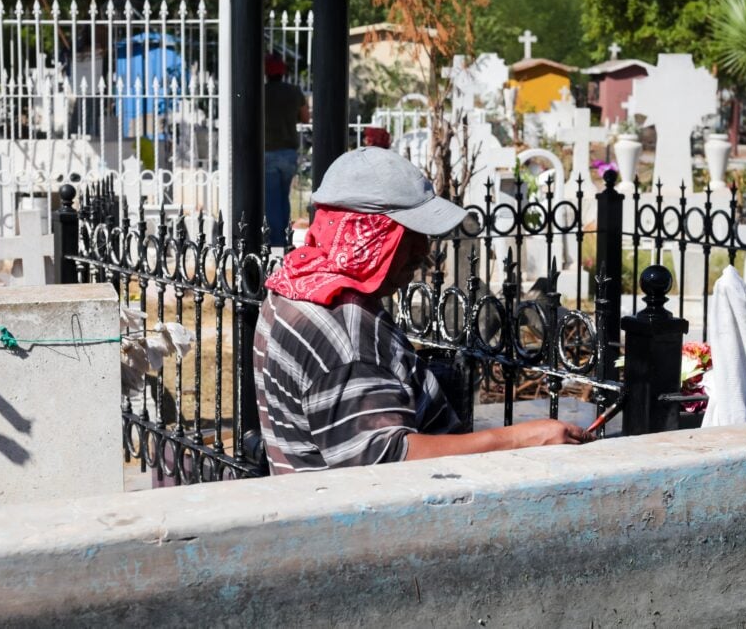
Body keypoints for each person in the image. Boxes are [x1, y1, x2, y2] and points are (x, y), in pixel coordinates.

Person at [253, 147, 593, 474]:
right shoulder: (347, 334)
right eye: (408, 234)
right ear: (365, 236)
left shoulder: (292, 287)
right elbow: (388, 465)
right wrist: (522, 438)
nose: (424, 251)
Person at [264, 53, 310, 246]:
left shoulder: (262, 92)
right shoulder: (294, 92)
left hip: (268, 152)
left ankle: (276, 243)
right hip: (289, 153)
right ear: (283, 72)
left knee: (272, 200)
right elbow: (306, 118)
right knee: (284, 198)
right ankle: (284, 237)